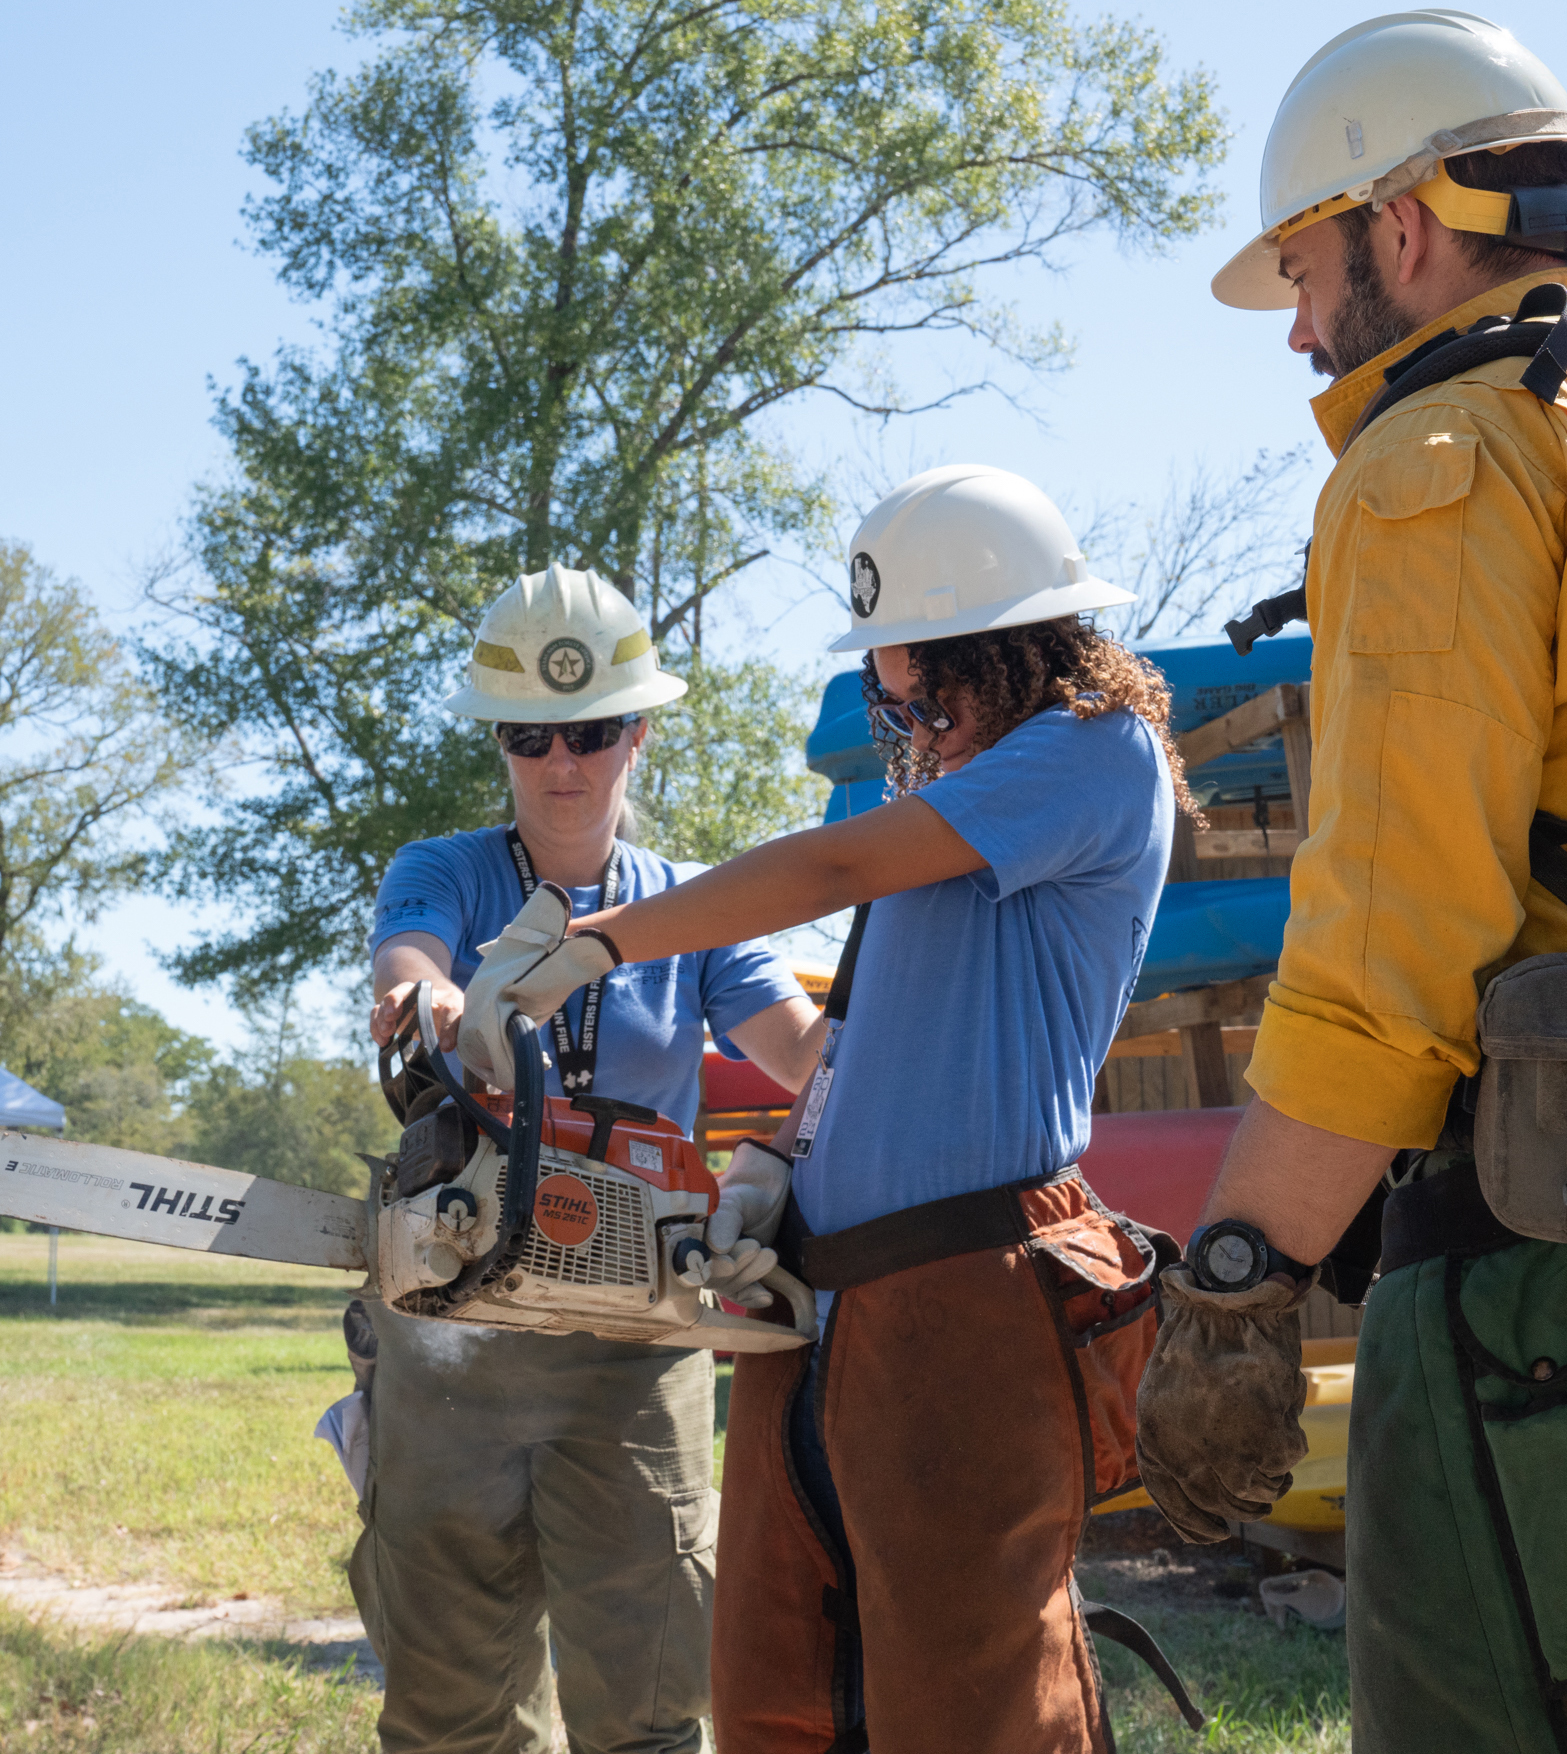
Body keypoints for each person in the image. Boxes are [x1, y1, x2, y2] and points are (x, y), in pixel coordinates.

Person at [1133, 13, 1567, 1754]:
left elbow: (1389, 946)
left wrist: (1243, 1269)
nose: (1304, 331)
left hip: (1547, 1309)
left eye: (1307, 271)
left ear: (1398, 226)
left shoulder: (1439, 460)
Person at [456, 464, 1189, 1752]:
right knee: (782, 1696)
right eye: (882, 678)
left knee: (964, 1708)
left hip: (966, 1285)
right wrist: (772, 1167)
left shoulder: (1089, 749)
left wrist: (599, 941)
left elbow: (830, 860)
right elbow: (852, 1038)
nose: (893, 700)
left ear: (985, 642)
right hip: (835, 1301)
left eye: (905, 670)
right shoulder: (952, 804)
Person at [357, 562, 822, 1754]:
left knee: (652, 1710)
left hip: (633, 1348)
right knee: (447, 1710)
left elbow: (805, 1056)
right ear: (497, 743)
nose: (563, 763)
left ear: (639, 733)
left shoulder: (694, 905)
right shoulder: (445, 870)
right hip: (452, 1336)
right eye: (530, 736)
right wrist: (441, 1009)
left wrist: (894, 1029)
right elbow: (407, 969)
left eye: (592, 731)